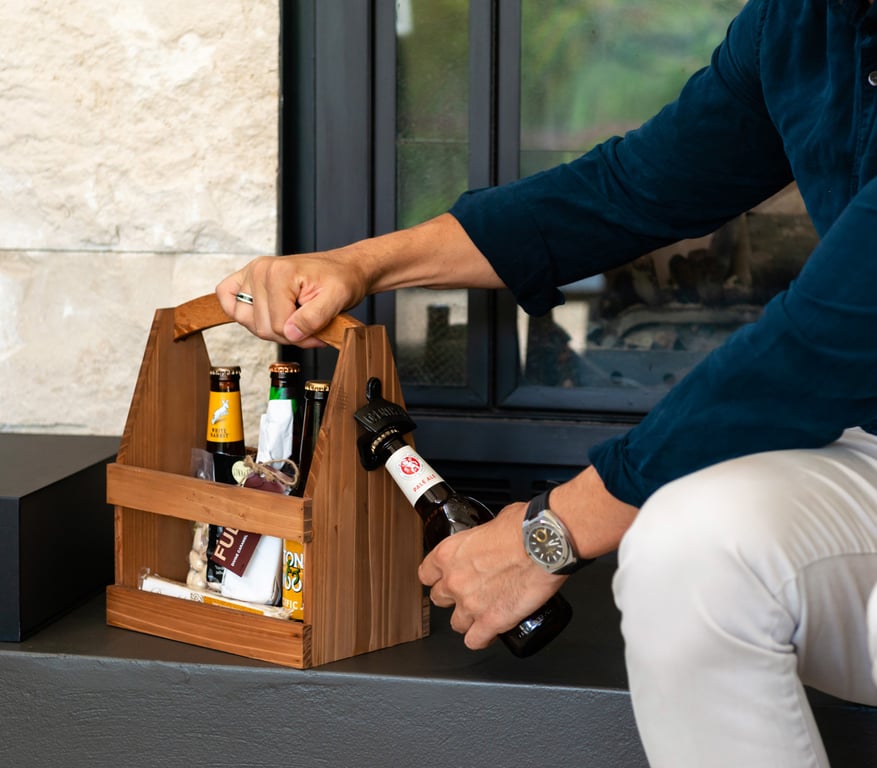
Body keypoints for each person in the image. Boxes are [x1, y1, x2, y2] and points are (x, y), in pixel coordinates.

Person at [217, 0, 877, 764]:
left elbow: (827, 337)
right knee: (684, 552)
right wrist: (358, 264)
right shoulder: (801, 20)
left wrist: (548, 534)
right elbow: (628, 189)